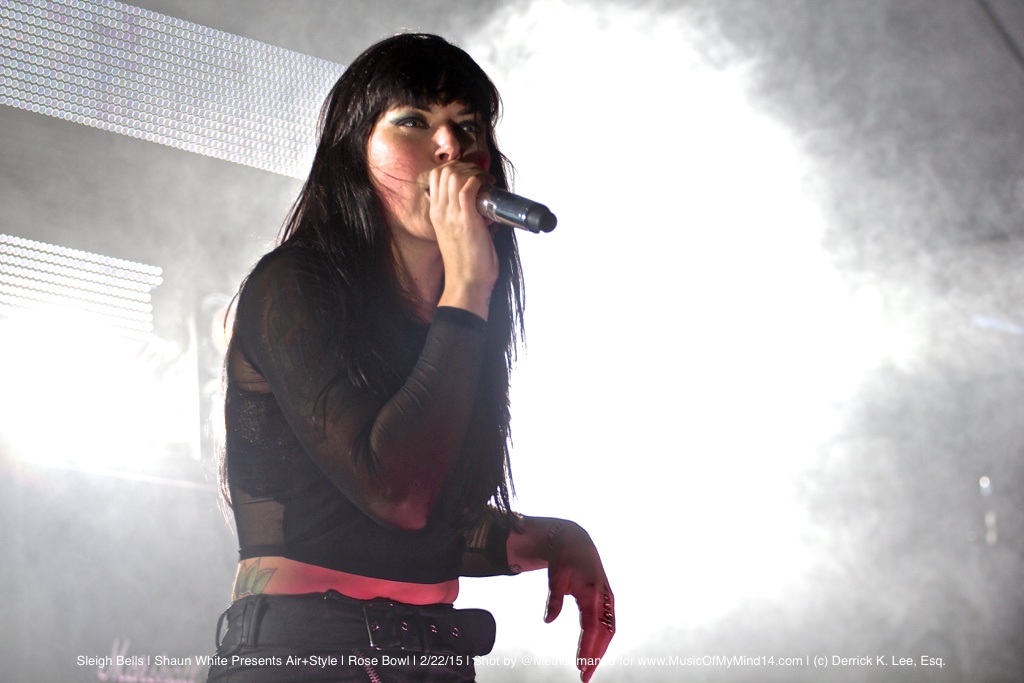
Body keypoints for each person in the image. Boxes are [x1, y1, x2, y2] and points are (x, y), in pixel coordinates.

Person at [206, 33, 614, 683]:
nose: (449, 145)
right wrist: (468, 283)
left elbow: (432, 521)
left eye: (466, 125)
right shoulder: (294, 288)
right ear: (356, 150)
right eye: (414, 122)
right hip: (308, 657)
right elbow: (397, 495)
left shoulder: (462, 318)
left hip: (434, 656)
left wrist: (555, 538)